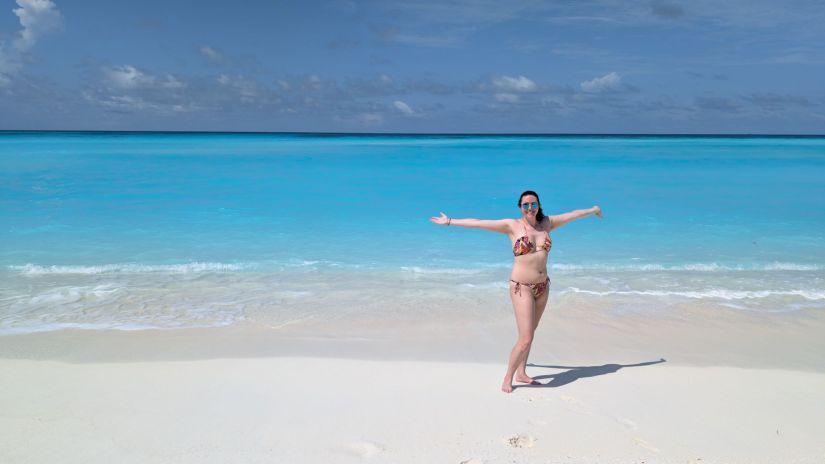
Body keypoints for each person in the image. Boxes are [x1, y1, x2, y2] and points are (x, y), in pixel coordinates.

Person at [430, 190, 602, 393]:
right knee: (526, 338)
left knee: (530, 333)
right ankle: (508, 377)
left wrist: (593, 210)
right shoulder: (512, 226)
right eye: (526, 205)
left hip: (542, 287)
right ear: (520, 207)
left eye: (533, 204)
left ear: (538, 205)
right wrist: (450, 221)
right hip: (522, 287)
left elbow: (572, 215)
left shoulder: (547, 224)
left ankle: (522, 373)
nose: (530, 208)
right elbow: (479, 223)